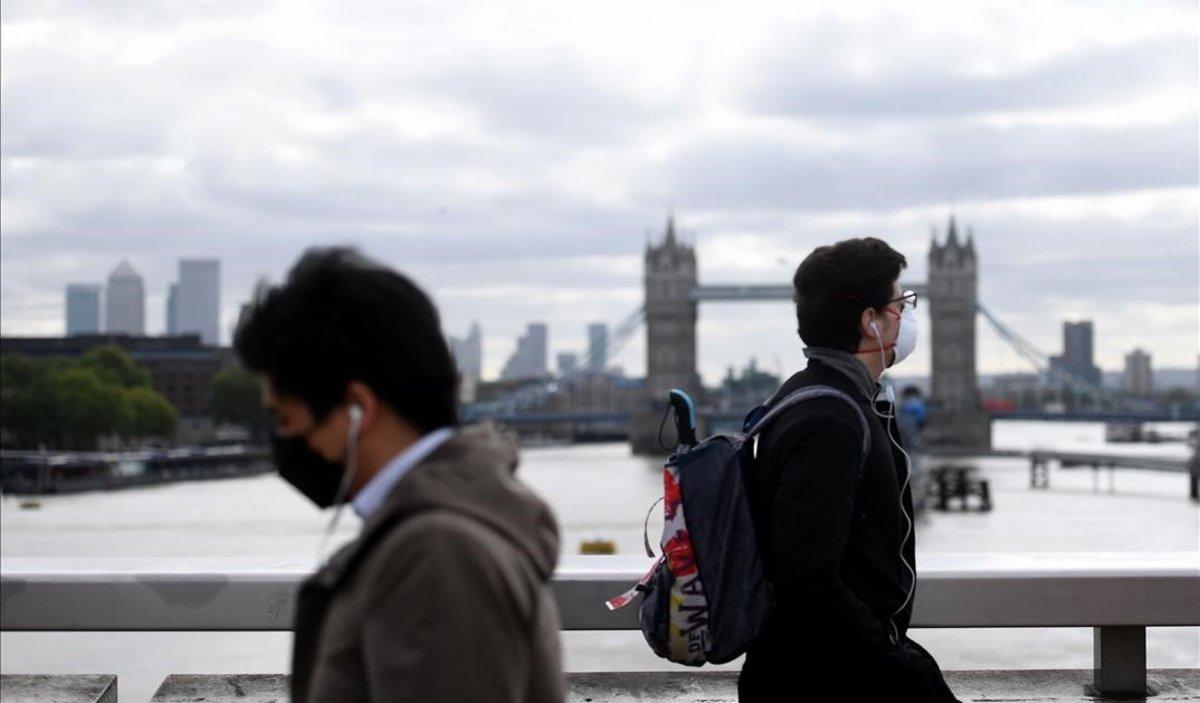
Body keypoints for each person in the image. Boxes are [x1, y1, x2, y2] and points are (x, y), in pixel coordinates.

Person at [234, 247, 565, 703]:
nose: (284, 442)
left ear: (358, 410)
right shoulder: (438, 527)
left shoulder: (437, 554)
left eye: (287, 419)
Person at [738, 237, 959, 702]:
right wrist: (896, 662)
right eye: (902, 303)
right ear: (870, 321)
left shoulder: (812, 395)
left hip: (822, 670)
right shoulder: (831, 420)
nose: (908, 316)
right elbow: (807, 580)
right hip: (829, 682)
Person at [897, 385, 929, 514]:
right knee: (915, 470)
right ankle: (916, 503)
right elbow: (922, 422)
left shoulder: (903, 405)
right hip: (913, 444)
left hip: (904, 442)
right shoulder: (919, 406)